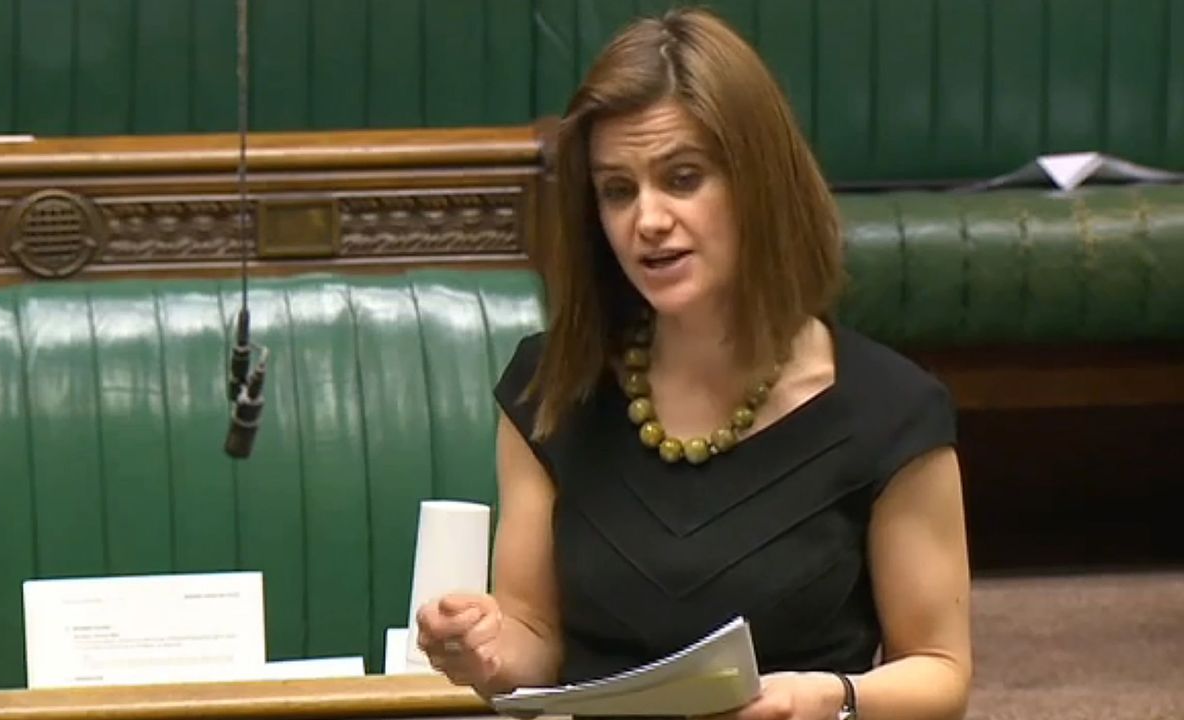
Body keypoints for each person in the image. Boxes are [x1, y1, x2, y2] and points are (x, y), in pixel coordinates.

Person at [416, 7, 971, 720]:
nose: (647, 220)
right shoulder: (550, 387)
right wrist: (484, 649)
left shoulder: (892, 411)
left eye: (682, 179)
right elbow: (537, 642)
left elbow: (941, 670)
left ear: (759, 183)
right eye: (618, 190)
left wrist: (831, 697)